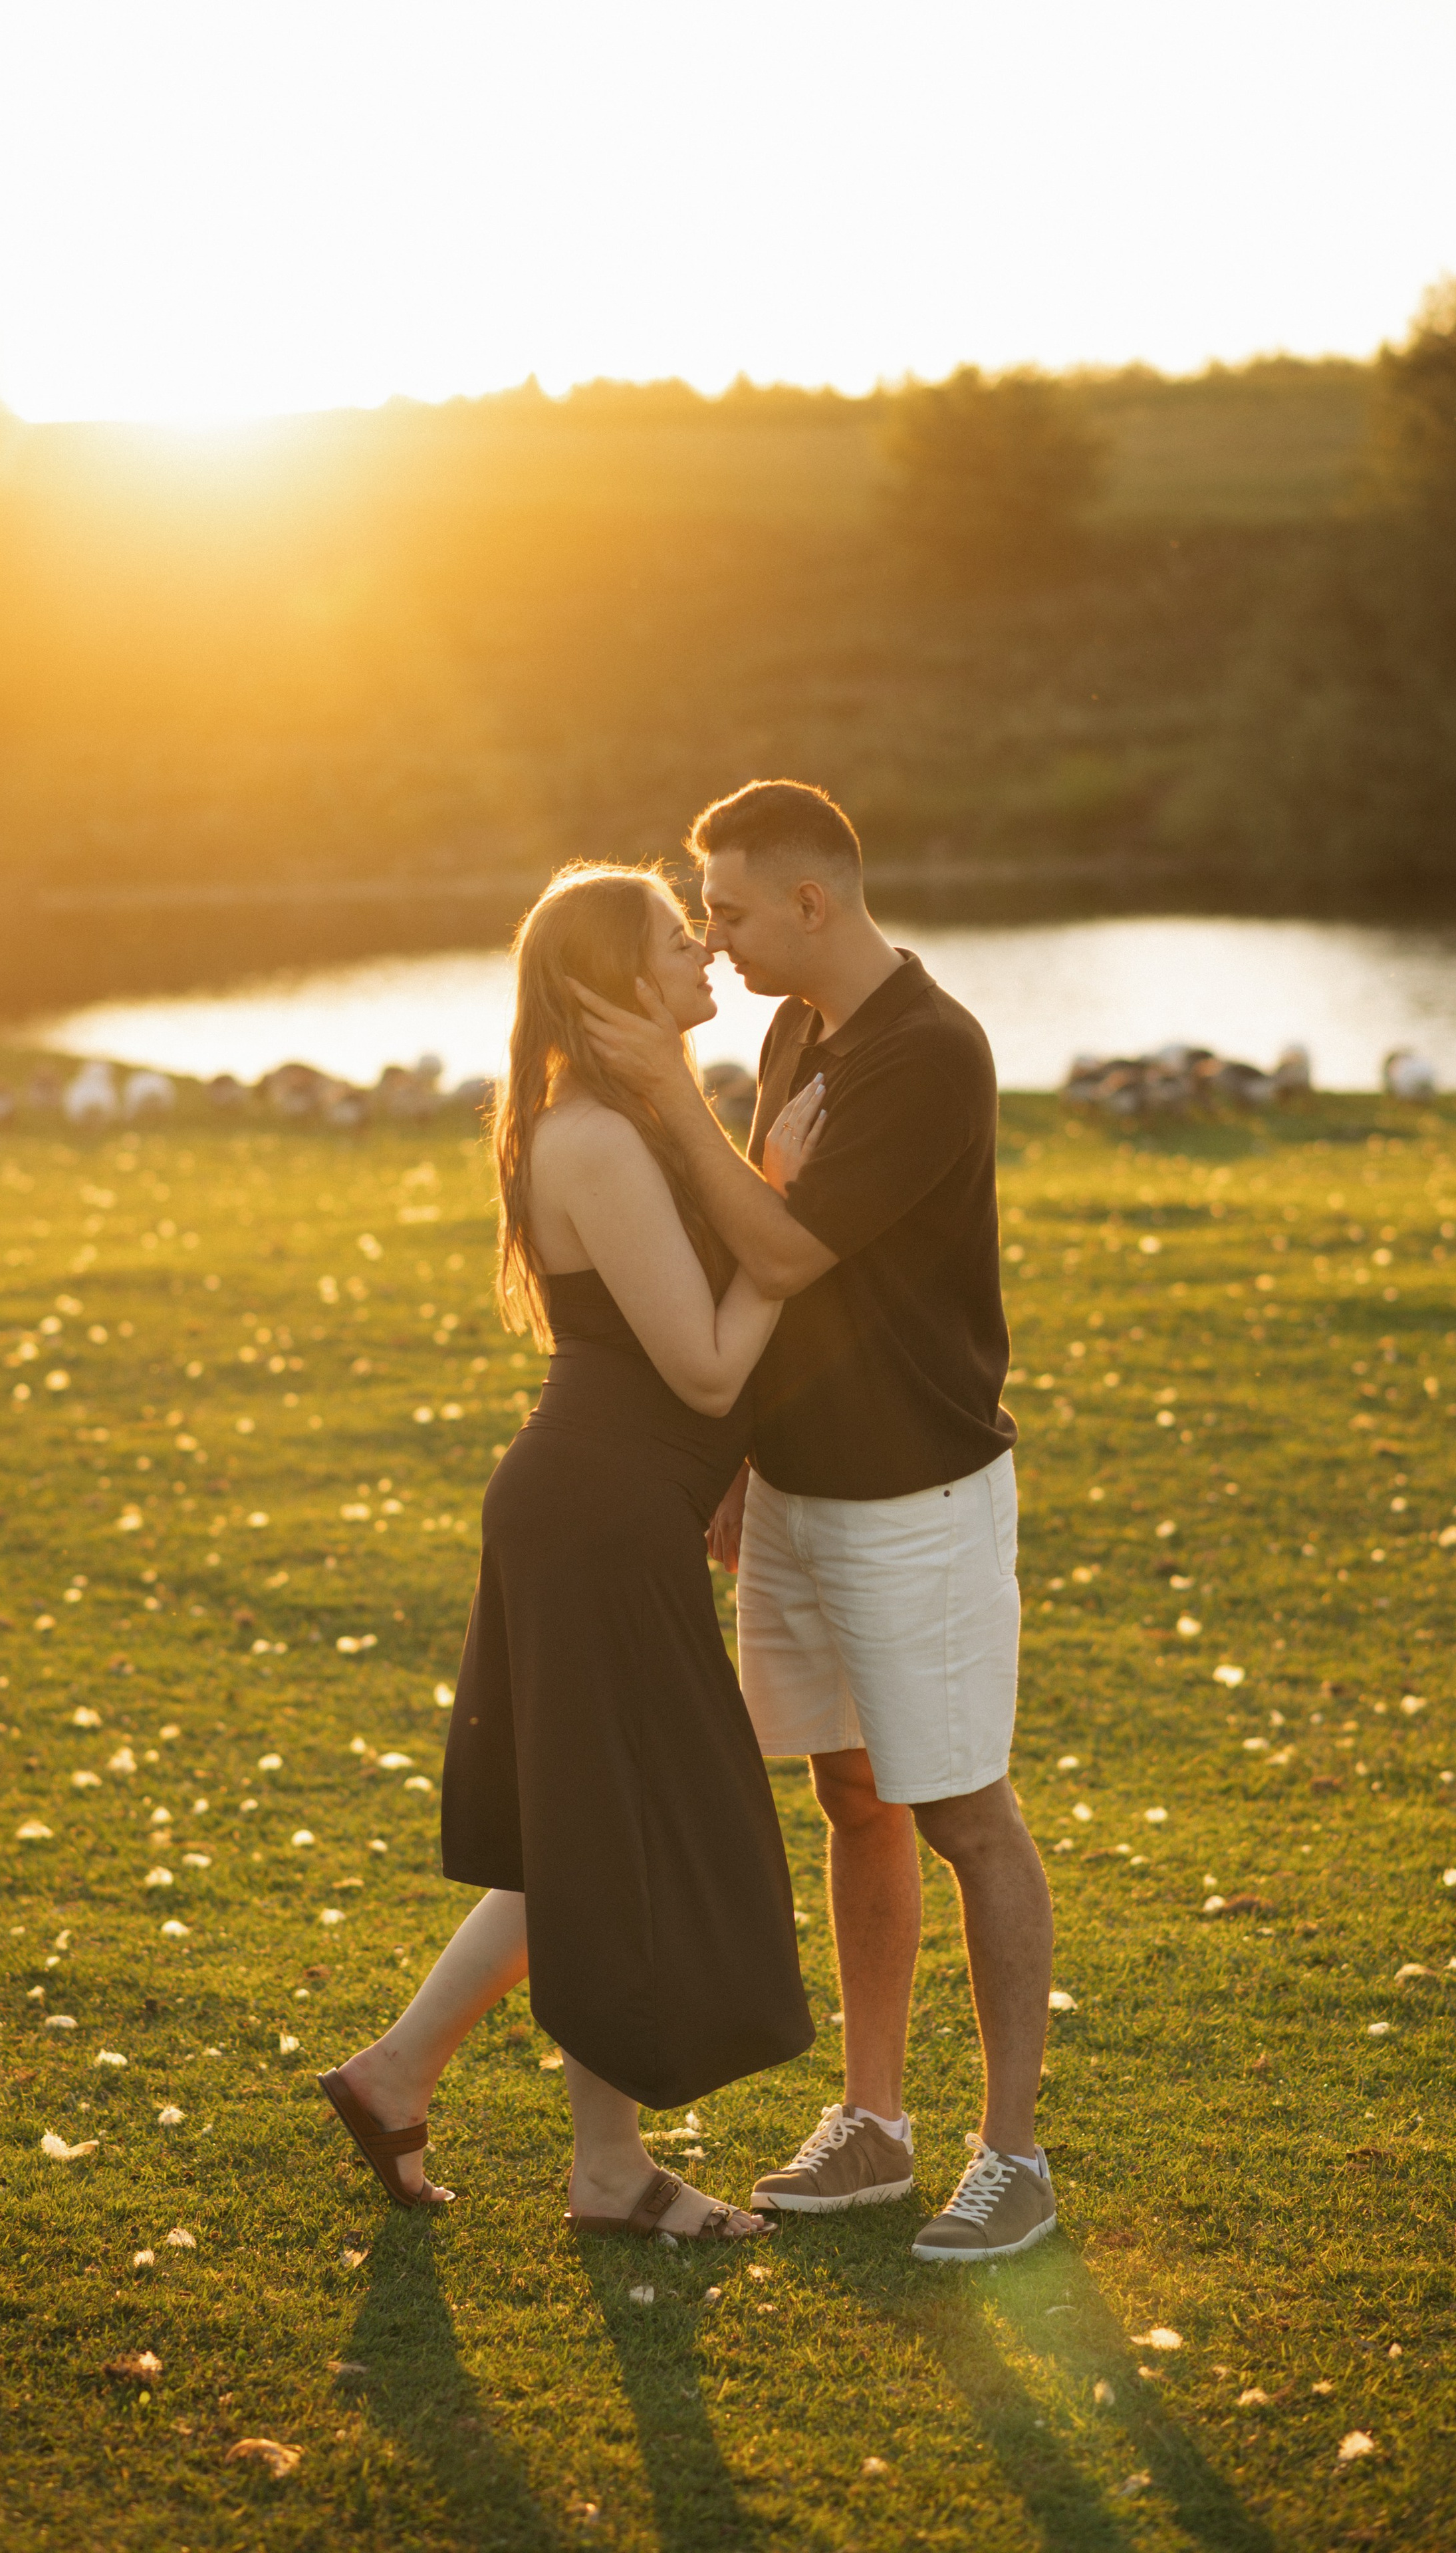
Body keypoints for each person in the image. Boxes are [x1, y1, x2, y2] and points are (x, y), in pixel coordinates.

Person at [572, 779, 1056, 2264]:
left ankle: (1012, 2156)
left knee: (962, 1813)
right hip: (795, 1487)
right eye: (696, 916)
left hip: (915, 1497)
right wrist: (735, 1471)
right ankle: (874, 2125)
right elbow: (778, 1263)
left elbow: (775, 1242)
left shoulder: (927, 1052)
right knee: (850, 1798)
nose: (706, 942)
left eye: (722, 908)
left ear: (810, 901)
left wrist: (665, 1094)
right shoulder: (798, 1030)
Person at [320, 861, 818, 2244]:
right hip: (593, 1517)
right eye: (675, 940)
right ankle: (593, 2167)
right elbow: (711, 1371)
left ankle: (405, 2076)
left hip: (610, 1510)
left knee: (584, 1835)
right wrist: (790, 1211)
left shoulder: (630, 1120)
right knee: (617, 1834)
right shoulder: (589, 1138)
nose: (703, 954)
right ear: (610, 980)